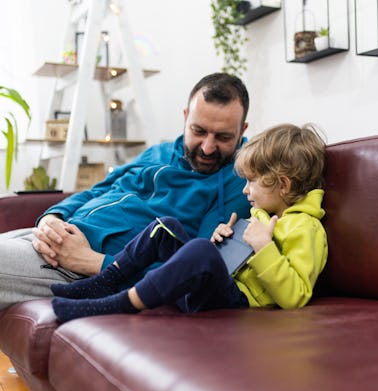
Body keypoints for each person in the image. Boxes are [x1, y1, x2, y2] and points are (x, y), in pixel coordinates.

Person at [0, 73, 251, 310]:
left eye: (223, 137)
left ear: (242, 130)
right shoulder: (159, 152)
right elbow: (98, 190)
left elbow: (196, 271)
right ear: (185, 117)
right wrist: (52, 217)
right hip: (55, 235)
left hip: (76, 267)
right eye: (199, 131)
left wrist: (94, 262)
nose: (207, 148)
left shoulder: (241, 181)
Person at [51, 123, 329, 322]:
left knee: (200, 251)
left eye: (252, 181)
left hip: (241, 304)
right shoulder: (262, 215)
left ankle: (115, 304)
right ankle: (104, 282)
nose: (245, 190)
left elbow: (295, 295)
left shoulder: (307, 228)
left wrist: (264, 247)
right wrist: (224, 241)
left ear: (283, 184)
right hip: (221, 288)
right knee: (165, 226)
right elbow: (231, 262)